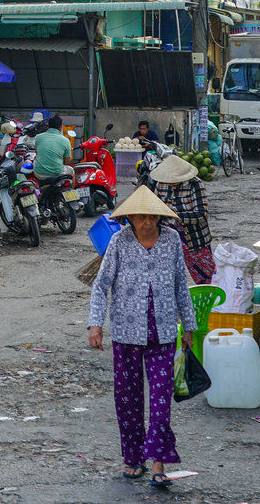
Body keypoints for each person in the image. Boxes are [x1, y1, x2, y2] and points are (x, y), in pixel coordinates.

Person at [87, 186, 198, 488]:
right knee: (128, 400)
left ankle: (159, 462)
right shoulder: (118, 242)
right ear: (131, 218)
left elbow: (180, 285)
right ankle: (133, 458)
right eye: (141, 217)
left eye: (152, 216)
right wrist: (94, 324)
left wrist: (189, 326)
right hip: (125, 332)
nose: (147, 222)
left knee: (161, 401)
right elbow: (100, 286)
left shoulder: (172, 240)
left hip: (162, 333)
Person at [150, 154, 213, 284]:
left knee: (207, 277)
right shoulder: (161, 184)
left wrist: (176, 215)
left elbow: (202, 214)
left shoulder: (195, 184)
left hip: (193, 238)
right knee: (165, 278)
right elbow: (155, 208)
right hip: (167, 238)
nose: (170, 181)